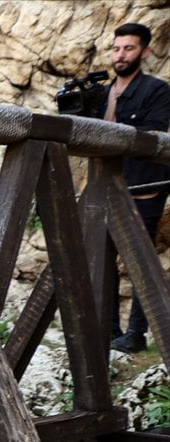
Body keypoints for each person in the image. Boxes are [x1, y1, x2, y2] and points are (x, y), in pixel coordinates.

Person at [105, 21, 170, 353]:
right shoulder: (102, 91)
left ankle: (136, 334)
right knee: (103, 258)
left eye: (128, 48)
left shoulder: (157, 90)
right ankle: (109, 329)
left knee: (140, 261)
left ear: (144, 52)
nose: (120, 55)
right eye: (116, 48)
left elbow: (153, 134)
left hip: (145, 187)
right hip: (107, 187)